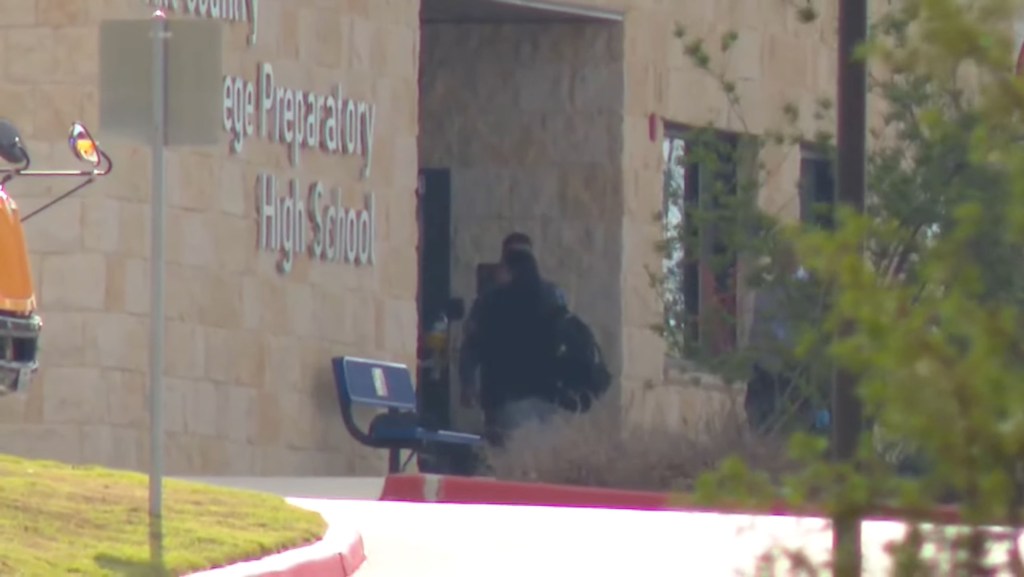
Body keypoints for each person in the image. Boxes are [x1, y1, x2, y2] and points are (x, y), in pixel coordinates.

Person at [459, 235, 565, 445]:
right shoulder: (552, 296)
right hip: (545, 398)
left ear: (505, 264)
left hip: (505, 399)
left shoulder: (491, 299)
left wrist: (468, 383)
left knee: (507, 462)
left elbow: (472, 343)